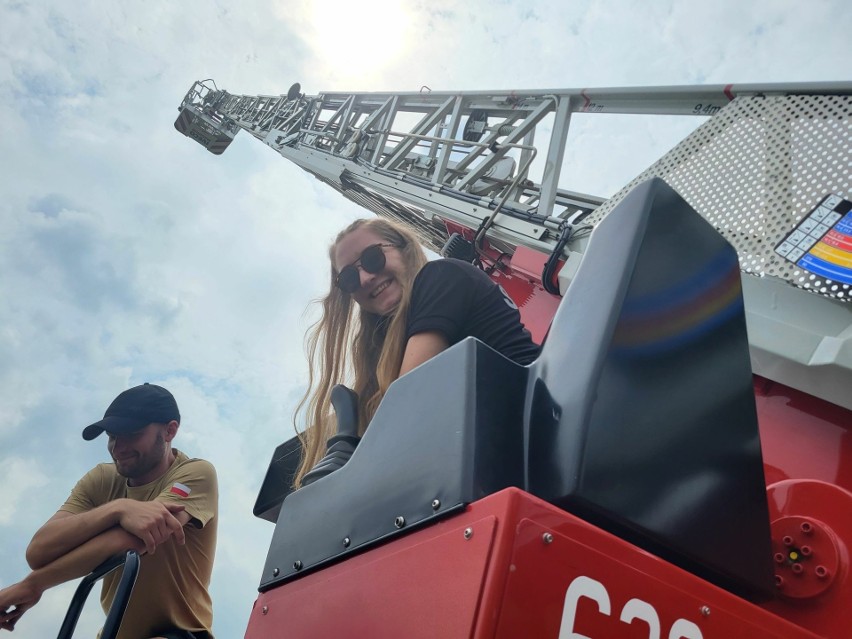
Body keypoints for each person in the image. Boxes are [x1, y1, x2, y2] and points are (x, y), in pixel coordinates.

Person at [294, 217, 539, 485]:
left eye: (372, 258)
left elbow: (407, 402)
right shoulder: (390, 341)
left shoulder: (441, 275)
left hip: (530, 439)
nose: (364, 278)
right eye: (349, 278)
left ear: (404, 249)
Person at [0, 383, 218, 639]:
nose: (117, 447)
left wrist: (34, 585)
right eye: (113, 436)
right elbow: (39, 551)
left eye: (132, 433)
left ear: (170, 431)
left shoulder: (196, 474)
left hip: (179, 634)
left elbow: (136, 539)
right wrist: (118, 508)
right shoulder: (102, 479)